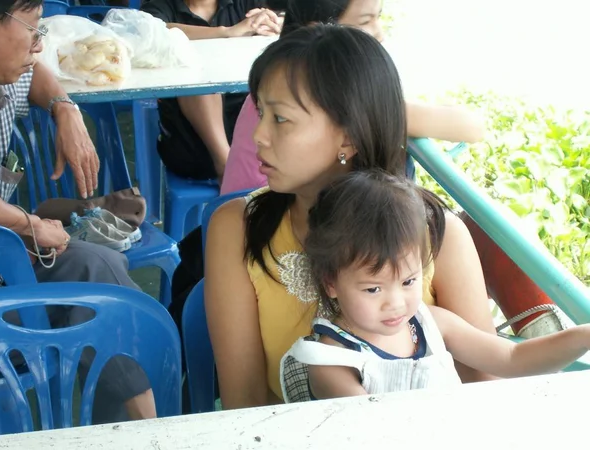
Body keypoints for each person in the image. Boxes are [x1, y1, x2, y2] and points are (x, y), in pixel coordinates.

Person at [205, 24, 496, 411]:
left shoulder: (438, 235)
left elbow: (488, 391)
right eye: (261, 113)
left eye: (280, 119)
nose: (258, 135)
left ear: (348, 138)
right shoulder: (238, 229)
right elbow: (243, 404)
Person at [282, 170, 590, 401]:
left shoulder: (430, 323)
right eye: (373, 289)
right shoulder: (331, 362)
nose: (396, 303)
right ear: (330, 282)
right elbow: (377, 435)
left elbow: (512, 359)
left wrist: (583, 336)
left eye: (408, 281)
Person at [0, 0, 155, 424]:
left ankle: (124, 427)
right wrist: (25, 224)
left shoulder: (4, 75)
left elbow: (34, 76)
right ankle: (149, 428)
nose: (39, 44)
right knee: (95, 274)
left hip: (0, 250)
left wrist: (66, 109)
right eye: (33, 29)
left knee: (99, 265)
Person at [220, 0, 485, 195]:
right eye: (364, 22)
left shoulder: (279, 82)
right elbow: (471, 126)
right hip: (262, 207)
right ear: (321, 33)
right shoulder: (328, 98)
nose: (379, 32)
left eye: (378, 18)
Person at [141, 0, 282, 182]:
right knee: (195, 78)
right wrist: (227, 32)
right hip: (192, 140)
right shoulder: (162, 6)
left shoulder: (244, 4)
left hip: (246, 128)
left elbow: (281, 25)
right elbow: (152, 30)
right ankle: (226, 167)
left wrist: (273, 24)